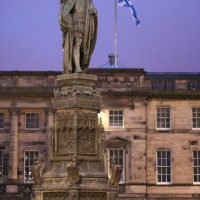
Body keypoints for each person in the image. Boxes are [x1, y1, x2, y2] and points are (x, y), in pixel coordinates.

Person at [59, 0, 98, 74]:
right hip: (76, 24)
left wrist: (94, 11)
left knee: (84, 48)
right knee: (77, 44)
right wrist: (70, 23)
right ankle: (77, 67)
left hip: (87, 26)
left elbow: (93, 11)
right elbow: (65, 13)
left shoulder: (88, 1)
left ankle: (80, 65)